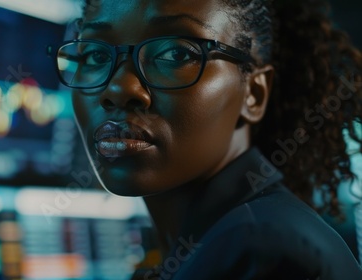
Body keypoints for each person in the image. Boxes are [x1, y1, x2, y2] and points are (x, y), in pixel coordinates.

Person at [47, 0, 362, 279]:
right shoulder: (228, 235)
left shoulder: (259, 250)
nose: (119, 89)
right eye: (94, 55)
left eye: (175, 53)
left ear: (253, 94)